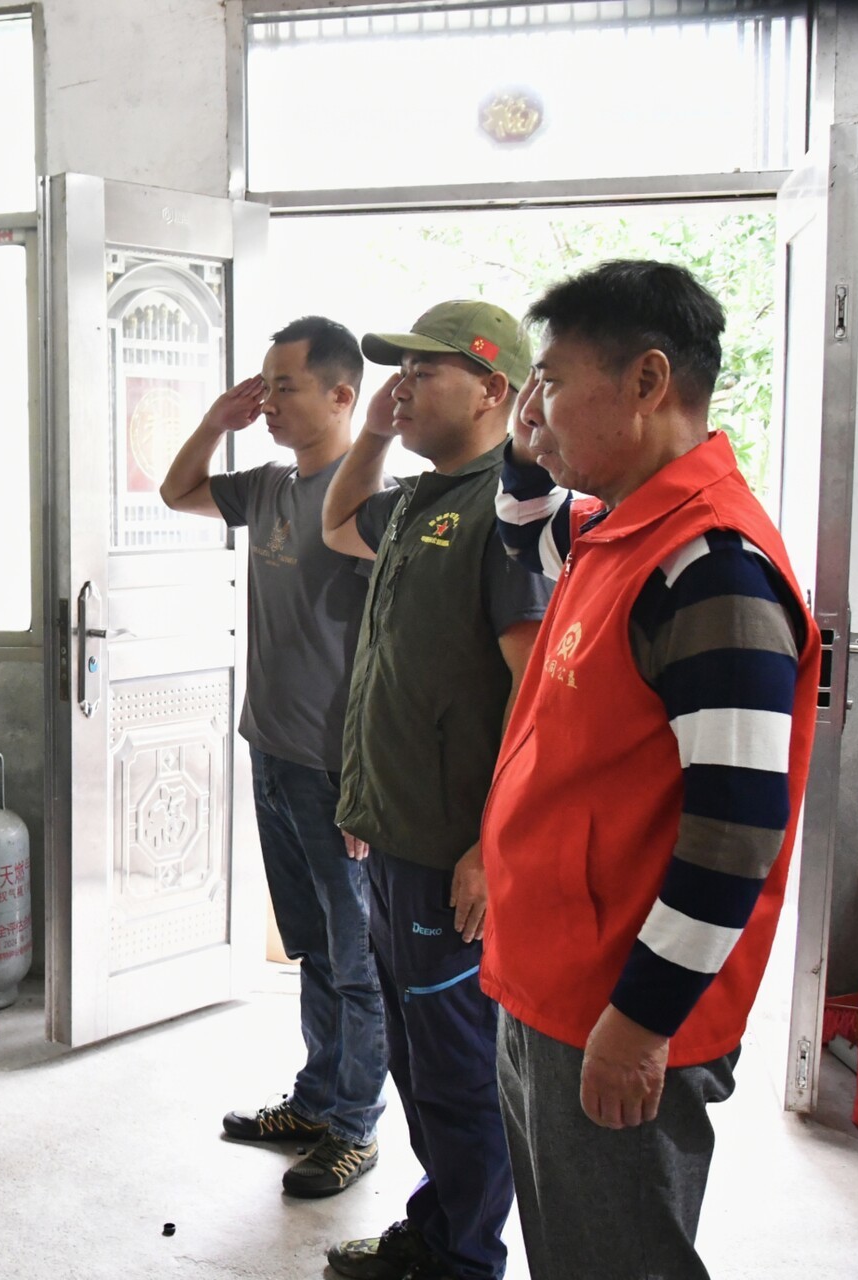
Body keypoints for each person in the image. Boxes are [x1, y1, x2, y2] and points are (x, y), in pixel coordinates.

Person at [481, 261, 817, 1280]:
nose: (534, 410)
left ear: (647, 380)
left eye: (552, 383)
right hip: (554, 975)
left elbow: (738, 824)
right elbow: (522, 530)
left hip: (617, 1001)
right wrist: (530, 444)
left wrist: (640, 1021)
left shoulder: (709, 565)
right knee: (569, 1245)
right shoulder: (618, 528)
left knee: (617, 1256)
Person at [320, 301, 553, 1280]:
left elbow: (538, 703)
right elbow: (338, 523)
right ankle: (439, 1226)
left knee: (459, 1074)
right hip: (396, 838)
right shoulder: (423, 499)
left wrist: (491, 850)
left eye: (426, 371)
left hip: (453, 859)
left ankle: (463, 1260)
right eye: (399, 371)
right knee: (417, 1062)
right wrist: (373, 434)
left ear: (495, 388)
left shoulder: (510, 516)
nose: (402, 386)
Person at [159, 316, 389, 1199]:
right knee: (315, 948)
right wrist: (215, 421)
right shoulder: (266, 487)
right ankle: (316, 1100)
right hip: (274, 750)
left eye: (284, 387)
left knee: (358, 960)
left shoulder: (369, 501)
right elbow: (178, 492)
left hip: (338, 770)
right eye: (264, 387)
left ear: (342, 394)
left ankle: (355, 1127)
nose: (269, 404)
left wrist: (369, 782)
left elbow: (393, 654)